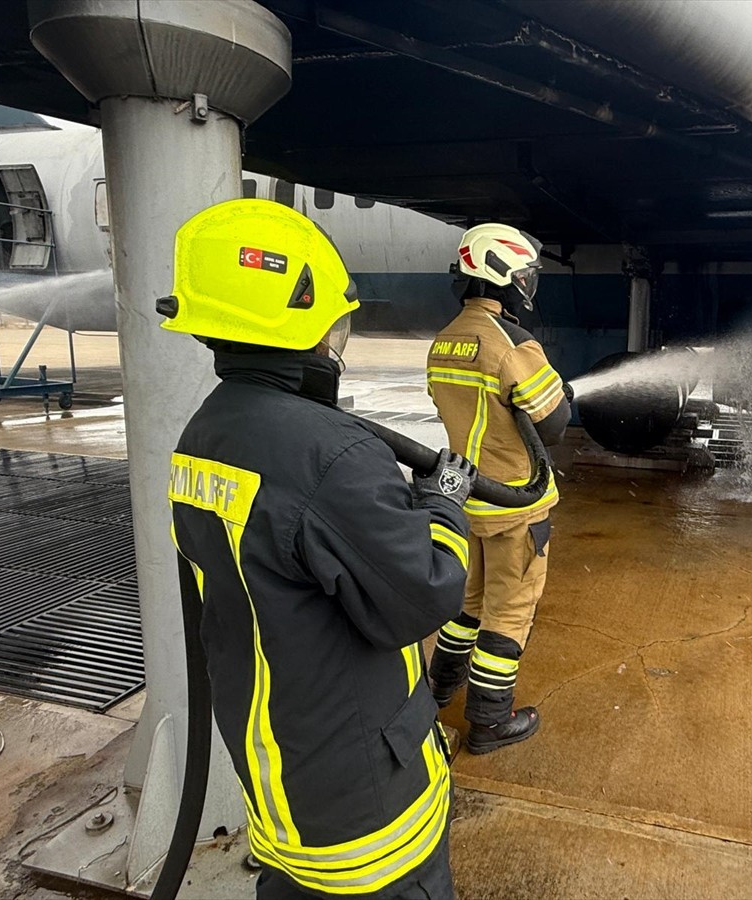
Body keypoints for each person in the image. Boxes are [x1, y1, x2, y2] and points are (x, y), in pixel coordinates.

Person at [158, 198, 476, 899]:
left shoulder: (203, 436)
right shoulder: (334, 456)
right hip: (371, 823)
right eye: (336, 324)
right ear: (300, 323)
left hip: (283, 791)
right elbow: (423, 592)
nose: (339, 342)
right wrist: (443, 504)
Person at [425, 222, 571, 755]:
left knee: (468, 604)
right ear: (505, 275)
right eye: (525, 274)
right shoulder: (512, 344)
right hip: (516, 508)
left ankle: (438, 691)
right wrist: (562, 394)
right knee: (509, 612)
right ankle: (489, 721)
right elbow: (554, 425)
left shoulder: (444, 341)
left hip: (466, 501)